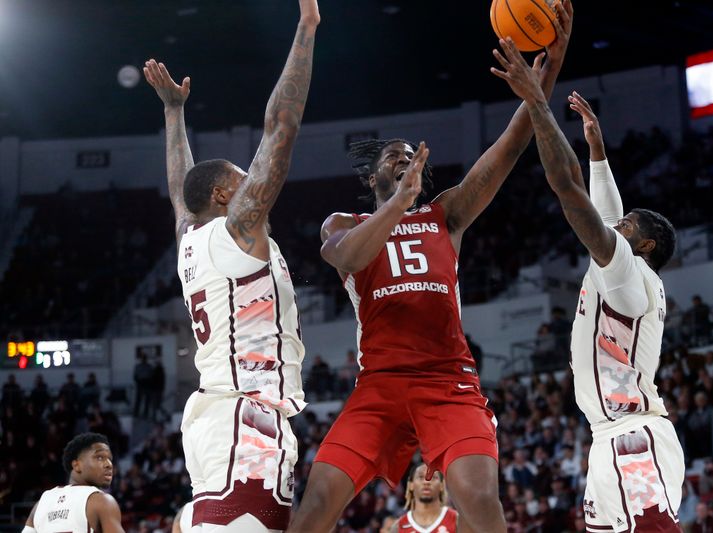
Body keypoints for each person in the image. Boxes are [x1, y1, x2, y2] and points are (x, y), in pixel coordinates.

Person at [285, 4, 573, 532]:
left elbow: (510, 147)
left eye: (408, 155)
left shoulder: (448, 215)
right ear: (373, 175)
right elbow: (348, 258)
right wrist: (396, 207)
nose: (401, 159)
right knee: (315, 504)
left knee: (481, 501)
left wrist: (548, 68)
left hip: (447, 380)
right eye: (392, 156)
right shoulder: (342, 222)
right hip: (380, 383)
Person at [143, 0, 319, 530]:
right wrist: (307, 27)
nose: (254, 188)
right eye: (245, 182)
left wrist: (175, 114)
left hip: (222, 417)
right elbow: (280, 128)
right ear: (224, 196)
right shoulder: (236, 231)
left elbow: (181, 191)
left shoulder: (189, 237)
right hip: (243, 417)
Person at [511, 48, 684, 530]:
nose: (615, 227)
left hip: (634, 434)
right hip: (607, 436)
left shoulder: (630, 275)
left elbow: (569, 191)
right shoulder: (624, 269)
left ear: (644, 244)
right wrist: (597, 150)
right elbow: (606, 210)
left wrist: (537, 106)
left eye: (626, 226)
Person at [23, 432, 123, 533]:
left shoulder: (41, 504)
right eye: (100, 457)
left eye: (110, 459)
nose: (109, 464)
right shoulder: (103, 501)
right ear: (76, 465)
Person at [389, 464, 459, 533]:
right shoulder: (398, 527)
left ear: (441, 485)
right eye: (420, 477)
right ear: (411, 485)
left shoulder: (457, 521)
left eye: (433, 477)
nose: (426, 482)